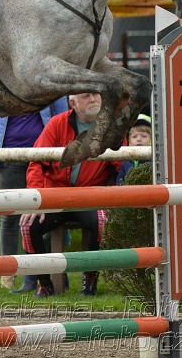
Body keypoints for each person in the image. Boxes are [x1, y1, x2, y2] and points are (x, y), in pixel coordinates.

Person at [21, 93, 122, 297]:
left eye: (96, 94)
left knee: (102, 221)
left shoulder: (111, 127)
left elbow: (121, 166)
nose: (93, 99)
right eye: (86, 96)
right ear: (72, 103)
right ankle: (44, 283)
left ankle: (91, 277)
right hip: (55, 196)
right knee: (27, 225)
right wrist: (37, 200)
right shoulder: (57, 123)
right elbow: (36, 163)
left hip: (90, 196)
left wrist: (118, 197)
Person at [0, 96, 70, 291]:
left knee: (40, 215)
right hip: (7, 155)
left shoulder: (48, 76)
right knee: (9, 216)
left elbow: (62, 113)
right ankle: (8, 273)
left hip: (42, 155)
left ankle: (35, 276)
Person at [117, 114, 152, 184]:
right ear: (129, 141)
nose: (139, 139)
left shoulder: (155, 163)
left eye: (144, 136)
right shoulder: (126, 163)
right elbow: (119, 184)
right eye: (134, 136)